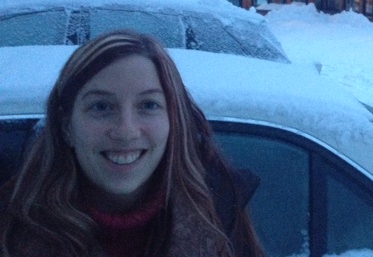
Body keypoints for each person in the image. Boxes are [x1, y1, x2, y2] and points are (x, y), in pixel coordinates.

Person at [0, 30, 264, 257]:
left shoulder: (220, 214)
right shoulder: (9, 226)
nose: (126, 131)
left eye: (148, 105)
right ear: (67, 126)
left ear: (174, 120)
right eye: (101, 106)